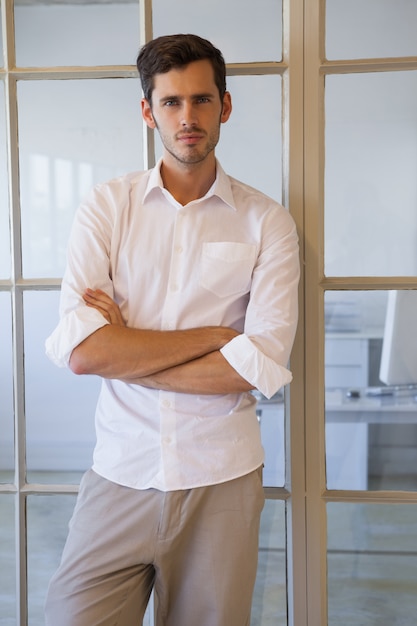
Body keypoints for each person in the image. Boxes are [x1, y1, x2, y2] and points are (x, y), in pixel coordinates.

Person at [44, 33, 299, 626]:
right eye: (172, 102)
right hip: (119, 473)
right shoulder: (107, 207)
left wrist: (128, 349)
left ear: (225, 106)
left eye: (202, 101)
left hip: (222, 482)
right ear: (148, 111)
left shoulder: (268, 223)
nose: (188, 118)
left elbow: (256, 368)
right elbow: (85, 353)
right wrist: (215, 336)